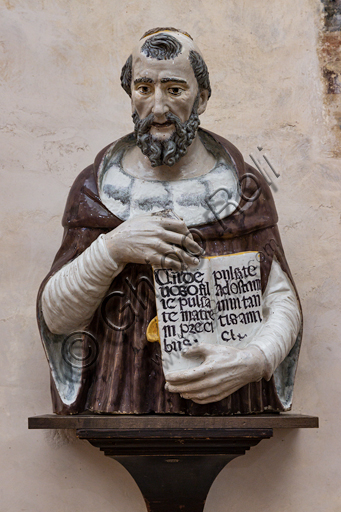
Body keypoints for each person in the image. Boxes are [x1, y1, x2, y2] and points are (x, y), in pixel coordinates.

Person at [37, 27, 302, 415]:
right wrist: (112, 249)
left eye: (174, 89)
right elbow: (58, 318)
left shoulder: (243, 190)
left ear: (203, 97)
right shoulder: (95, 188)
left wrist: (258, 358)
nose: (157, 107)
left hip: (226, 402)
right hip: (120, 402)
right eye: (144, 89)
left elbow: (278, 297)